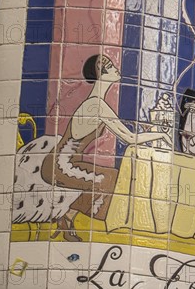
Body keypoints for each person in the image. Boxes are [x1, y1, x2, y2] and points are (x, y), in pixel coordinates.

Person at [41, 54, 171, 241]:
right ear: (100, 73)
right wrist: (162, 134)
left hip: (67, 161)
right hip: (60, 164)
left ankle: (67, 218)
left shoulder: (98, 104)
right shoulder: (97, 105)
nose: (116, 68)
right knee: (105, 180)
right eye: (110, 65)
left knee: (111, 177)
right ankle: (66, 218)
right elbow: (130, 138)